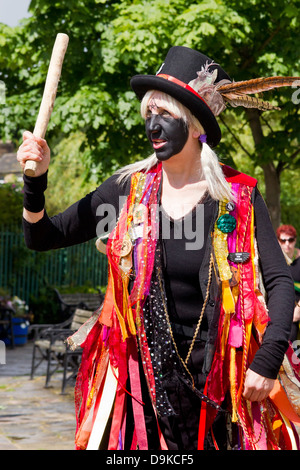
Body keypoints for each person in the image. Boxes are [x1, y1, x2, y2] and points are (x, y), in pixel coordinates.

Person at [17, 46, 298, 451]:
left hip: (224, 387)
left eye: (166, 115)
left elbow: (279, 282)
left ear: (196, 126)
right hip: (142, 387)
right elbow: (41, 236)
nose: (153, 125)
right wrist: (35, 183)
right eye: (149, 114)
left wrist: (267, 360)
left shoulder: (239, 197)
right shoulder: (127, 190)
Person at [277, 225, 300, 342]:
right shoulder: (275, 260)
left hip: (296, 310)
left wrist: (298, 309)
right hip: (279, 310)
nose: (287, 244)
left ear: (295, 240)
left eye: (290, 240)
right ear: (278, 241)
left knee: (295, 349)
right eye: (283, 240)